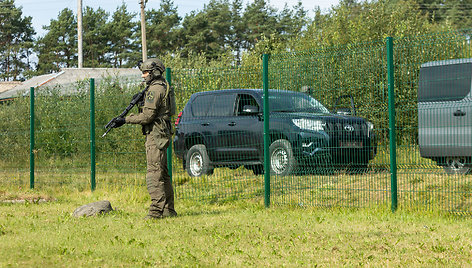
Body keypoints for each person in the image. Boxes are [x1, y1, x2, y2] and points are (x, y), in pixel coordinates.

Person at [113, 58, 177, 219]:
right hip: (161, 133)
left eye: (146, 72)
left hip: (155, 135)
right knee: (162, 174)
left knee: (154, 174)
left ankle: (156, 212)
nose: (143, 76)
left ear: (154, 72)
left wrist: (125, 120)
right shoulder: (163, 85)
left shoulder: (155, 89)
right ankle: (169, 210)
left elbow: (148, 116)